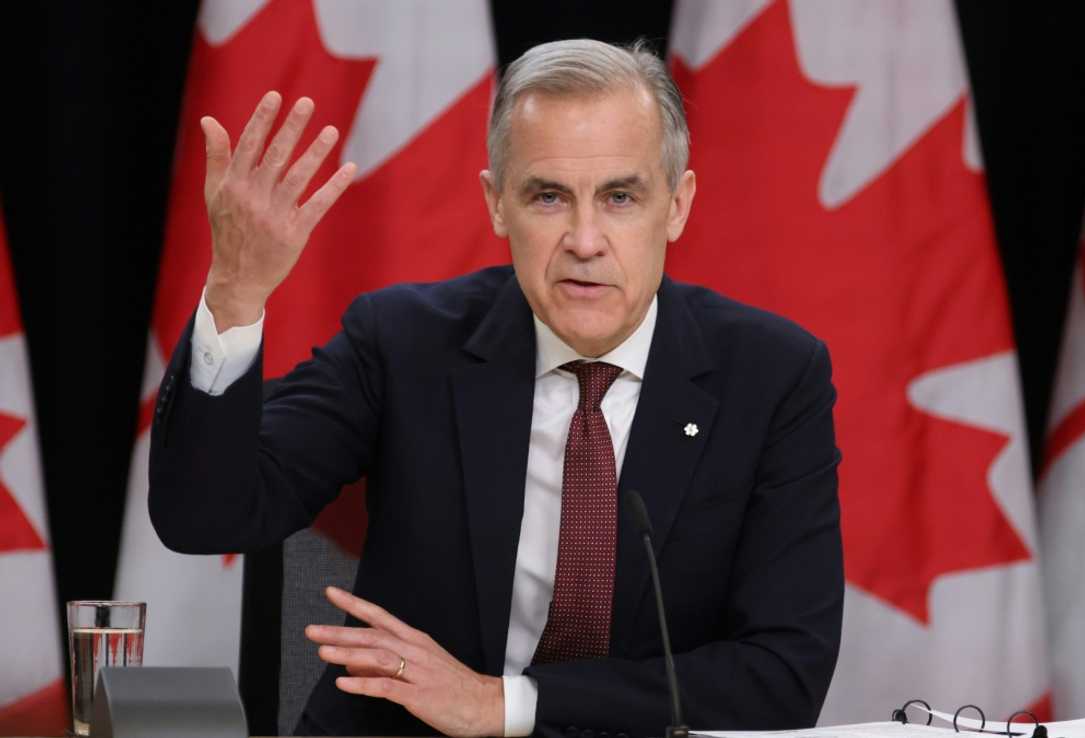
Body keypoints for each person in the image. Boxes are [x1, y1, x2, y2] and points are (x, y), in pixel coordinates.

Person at [148, 39, 844, 737]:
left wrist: (503, 704)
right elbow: (204, 517)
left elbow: (782, 676)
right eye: (548, 196)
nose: (585, 239)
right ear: (497, 205)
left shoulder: (772, 377)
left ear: (677, 205)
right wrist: (237, 291)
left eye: (620, 197)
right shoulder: (402, 343)